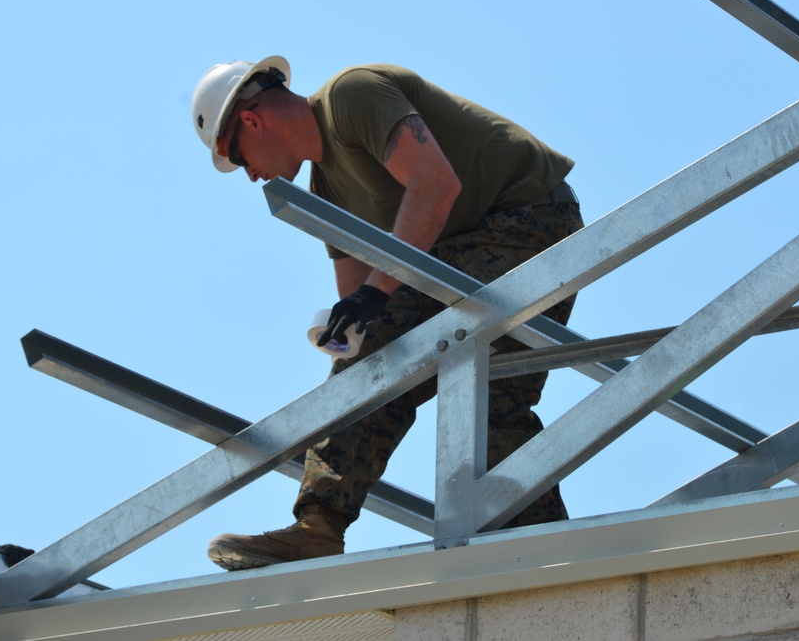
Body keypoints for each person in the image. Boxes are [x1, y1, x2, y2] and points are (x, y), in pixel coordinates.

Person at [191, 55, 584, 570]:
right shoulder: (327, 191)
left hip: (529, 217)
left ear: (251, 121)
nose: (249, 176)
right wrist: (344, 335)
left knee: (420, 365)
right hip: (460, 258)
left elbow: (435, 185)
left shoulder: (351, 97)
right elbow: (361, 318)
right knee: (475, 403)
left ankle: (321, 524)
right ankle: (554, 554)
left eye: (238, 159)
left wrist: (374, 301)